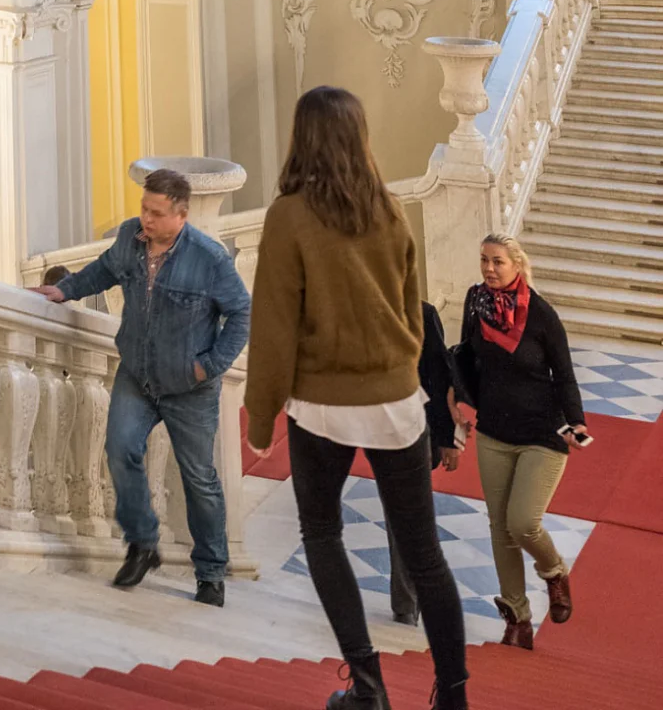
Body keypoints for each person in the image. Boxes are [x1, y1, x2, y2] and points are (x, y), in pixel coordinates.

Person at [244, 86, 467, 710]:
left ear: (302, 136)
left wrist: (261, 416)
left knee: (321, 532)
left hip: (323, 404)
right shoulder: (390, 209)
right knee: (426, 555)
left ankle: (367, 689)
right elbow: (413, 312)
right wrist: (399, 368)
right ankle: (453, 696)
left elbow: (274, 326)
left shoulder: (288, 215)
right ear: (359, 137)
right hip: (399, 398)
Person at [38, 167, 250, 608]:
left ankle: (211, 573)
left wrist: (207, 367)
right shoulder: (130, 239)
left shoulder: (209, 258)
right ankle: (142, 543)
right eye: (143, 209)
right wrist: (65, 290)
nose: (146, 220)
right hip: (137, 373)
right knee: (119, 450)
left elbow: (241, 315)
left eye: (156, 213)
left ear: (181, 215)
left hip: (189, 387)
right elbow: (102, 271)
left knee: (199, 480)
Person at [453, 233, 587, 650]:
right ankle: (517, 617)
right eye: (484, 260)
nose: (489, 269)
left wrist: (577, 422)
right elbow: (464, 359)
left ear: (517, 264)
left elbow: (564, 374)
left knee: (522, 522)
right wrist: (454, 407)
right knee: (500, 528)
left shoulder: (541, 315)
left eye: (498, 262)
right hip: (494, 431)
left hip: (542, 433)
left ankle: (554, 573)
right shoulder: (476, 302)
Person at [382, 301, 461, 627]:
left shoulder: (423, 314)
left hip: (417, 431)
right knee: (399, 516)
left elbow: (439, 378)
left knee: (407, 516)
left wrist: (447, 439)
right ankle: (408, 602)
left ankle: (409, 603)